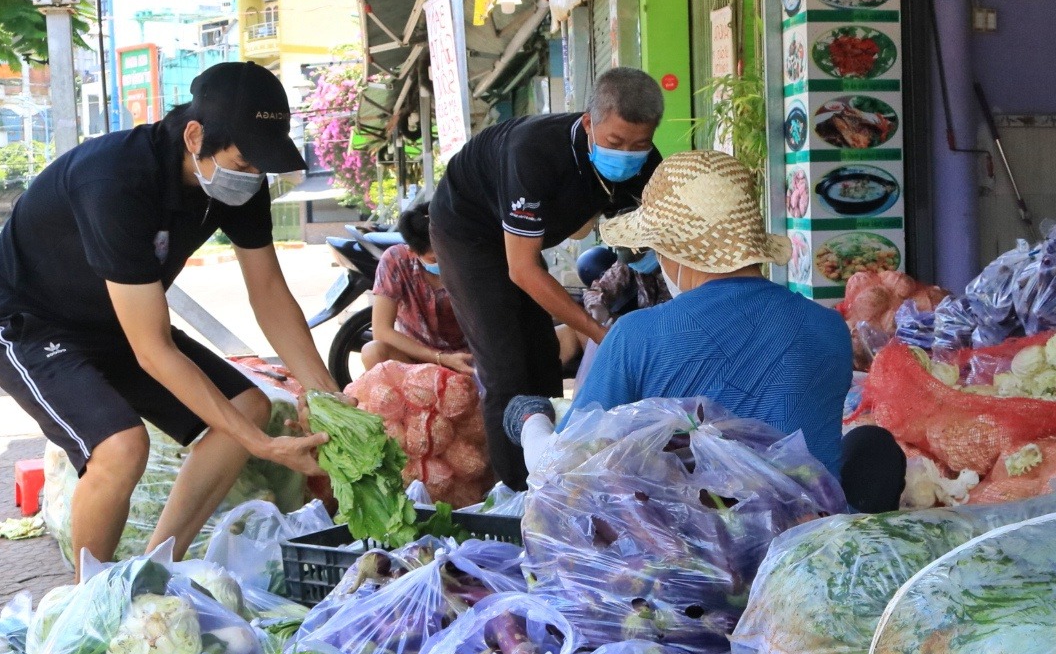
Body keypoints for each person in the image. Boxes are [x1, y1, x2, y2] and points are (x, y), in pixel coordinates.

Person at [0, 62, 337, 567]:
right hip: (28, 324)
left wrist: (329, 396)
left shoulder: (236, 183)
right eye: (245, 162)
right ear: (194, 135)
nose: (252, 176)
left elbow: (270, 292)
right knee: (121, 447)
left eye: (261, 167)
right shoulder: (114, 179)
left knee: (248, 406)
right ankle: (91, 606)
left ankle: (154, 567)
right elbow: (152, 349)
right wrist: (260, 445)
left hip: (115, 322)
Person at [503, 149, 907, 512]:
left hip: (685, 568)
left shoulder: (637, 336)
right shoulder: (828, 329)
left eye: (657, 248)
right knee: (871, 446)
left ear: (675, 250)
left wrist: (530, 421)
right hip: (799, 553)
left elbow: (559, 470)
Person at [430, 67, 664, 487]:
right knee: (507, 364)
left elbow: (647, 249)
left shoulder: (648, 165)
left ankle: (554, 477)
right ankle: (516, 494)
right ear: (589, 122)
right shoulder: (533, 152)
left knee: (542, 356)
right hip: (471, 232)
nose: (628, 153)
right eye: (614, 143)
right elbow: (522, 269)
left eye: (640, 144)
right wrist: (597, 332)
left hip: (530, 237)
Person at [360, 202, 473, 375]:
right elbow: (381, 331)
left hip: (467, 362)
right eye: (435, 259)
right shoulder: (396, 260)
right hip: (415, 362)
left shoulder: (469, 261)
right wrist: (439, 358)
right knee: (372, 351)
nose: (445, 263)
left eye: (448, 255)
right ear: (412, 252)